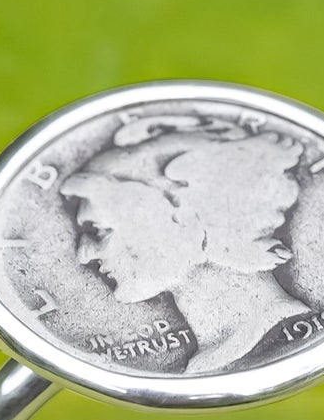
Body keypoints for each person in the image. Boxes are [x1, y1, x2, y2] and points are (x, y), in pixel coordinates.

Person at [60, 112, 309, 374]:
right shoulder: (209, 359)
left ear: (185, 216)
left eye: (100, 230)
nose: (83, 254)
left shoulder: (281, 331)